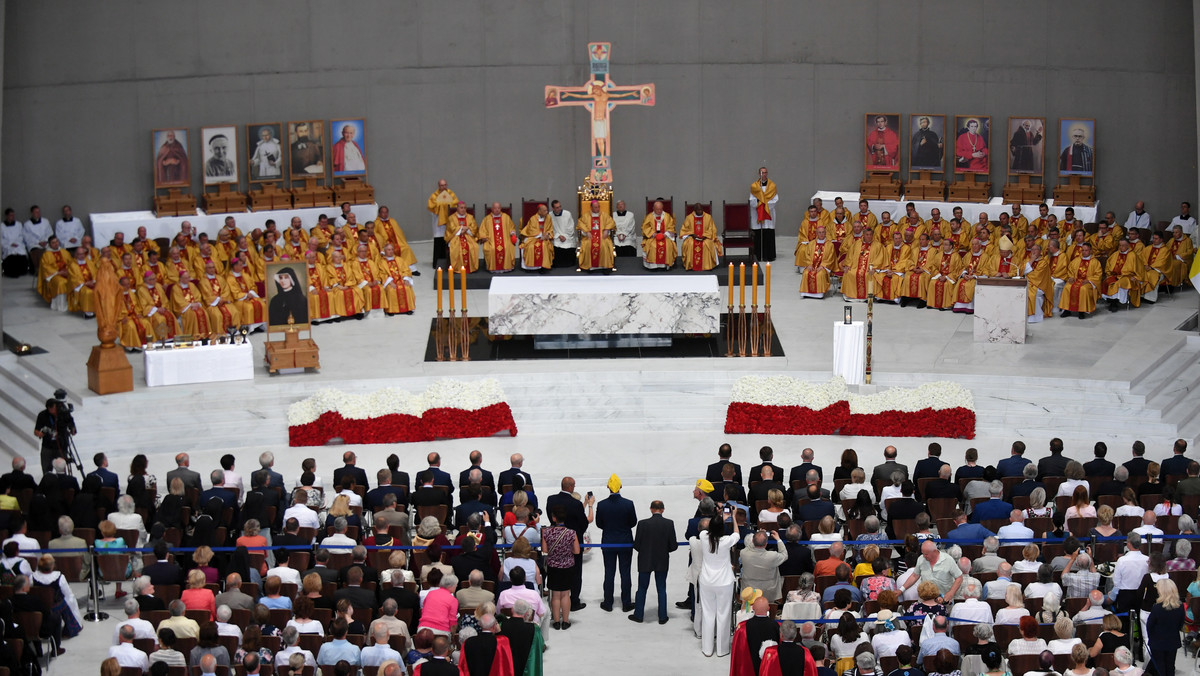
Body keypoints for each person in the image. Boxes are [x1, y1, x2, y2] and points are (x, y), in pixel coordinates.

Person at [593, 474, 636, 613]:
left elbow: (599, 524)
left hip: (608, 542)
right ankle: (626, 602)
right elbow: (633, 522)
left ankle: (608, 602)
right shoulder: (628, 504)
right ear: (621, 487)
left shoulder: (602, 504)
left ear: (608, 487)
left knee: (609, 573)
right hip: (625, 542)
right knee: (625, 573)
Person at [696, 516, 739, 657]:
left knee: (708, 613)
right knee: (723, 614)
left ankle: (707, 649)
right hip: (724, 582)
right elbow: (737, 534)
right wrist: (732, 518)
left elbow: (706, 530)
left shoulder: (703, 536)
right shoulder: (726, 541)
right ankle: (722, 649)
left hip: (707, 581)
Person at [1147, 579, 1183, 676]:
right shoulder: (1180, 606)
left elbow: (1149, 626)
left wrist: (1152, 639)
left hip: (1157, 643)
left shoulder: (1156, 608)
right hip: (1173, 641)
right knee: (1170, 666)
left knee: (1160, 668)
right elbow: (1180, 624)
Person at [425, 179, 458, 266]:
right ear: (438, 186)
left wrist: (446, 203)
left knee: (448, 240)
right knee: (439, 241)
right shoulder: (434, 195)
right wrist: (441, 204)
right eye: (441, 185)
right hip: (438, 221)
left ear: (447, 185)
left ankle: (448, 261)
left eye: (444, 185)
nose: (443, 187)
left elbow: (455, 203)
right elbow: (430, 205)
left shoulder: (451, 193)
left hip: (449, 221)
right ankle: (436, 263)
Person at [750, 167, 779, 261]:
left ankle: (769, 255)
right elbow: (751, 200)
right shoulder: (754, 186)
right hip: (757, 213)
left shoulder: (772, 186)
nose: (764, 174)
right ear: (759, 174)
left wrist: (764, 204)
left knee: (768, 233)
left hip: (768, 213)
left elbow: (775, 199)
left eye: (765, 172)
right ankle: (757, 255)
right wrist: (760, 203)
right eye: (762, 173)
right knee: (758, 234)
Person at [577, 199, 616, 271]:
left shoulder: (604, 215)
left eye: (598, 207)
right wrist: (587, 231)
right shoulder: (586, 216)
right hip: (589, 236)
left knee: (604, 245)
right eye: (595, 207)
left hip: (602, 236)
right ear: (591, 207)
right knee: (588, 245)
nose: (597, 209)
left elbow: (611, 222)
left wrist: (607, 230)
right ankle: (590, 265)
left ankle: (604, 265)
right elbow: (580, 223)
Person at [478, 202, 517, 273]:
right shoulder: (487, 219)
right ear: (492, 209)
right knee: (492, 248)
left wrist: (512, 233)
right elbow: (482, 230)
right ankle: (492, 267)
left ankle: (507, 267)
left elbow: (512, 227)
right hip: (491, 240)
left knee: (506, 247)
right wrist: (483, 237)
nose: (497, 210)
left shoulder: (506, 217)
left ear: (501, 208)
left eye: (498, 208)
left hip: (505, 239)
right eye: (495, 208)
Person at [444, 202, 479, 273]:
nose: (463, 210)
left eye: (465, 208)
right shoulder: (451, 218)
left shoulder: (470, 217)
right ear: (457, 208)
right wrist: (462, 228)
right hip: (455, 237)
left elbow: (474, 228)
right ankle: (457, 267)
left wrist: (467, 229)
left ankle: (471, 267)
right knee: (456, 248)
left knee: (474, 247)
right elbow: (451, 229)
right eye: (461, 208)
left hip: (468, 236)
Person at [641, 200, 677, 269]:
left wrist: (665, 235)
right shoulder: (649, 217)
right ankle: (653, 266)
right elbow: (645, 227)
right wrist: (653, 234)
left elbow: (671, 227)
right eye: (657, 209)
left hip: (665, 236)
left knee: (668, 245)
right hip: (652, 237)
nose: (659, 211)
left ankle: (665, 265)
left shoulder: (667, 216)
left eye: (661, 209)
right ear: (653, 209)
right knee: (652, 246)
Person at [519, 203, 554, 271]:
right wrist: (541, 235)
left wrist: (547, 234)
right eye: (544, 211)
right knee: (531, 247)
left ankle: (543, 267)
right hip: (533, 237)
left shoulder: (548, 217)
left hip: (544, 238)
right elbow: (531, 230)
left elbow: (550, 228)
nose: (546, 212)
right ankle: (530, 267)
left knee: (544, 245)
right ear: (539, 211)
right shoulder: (533, 218)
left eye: (547, 210)